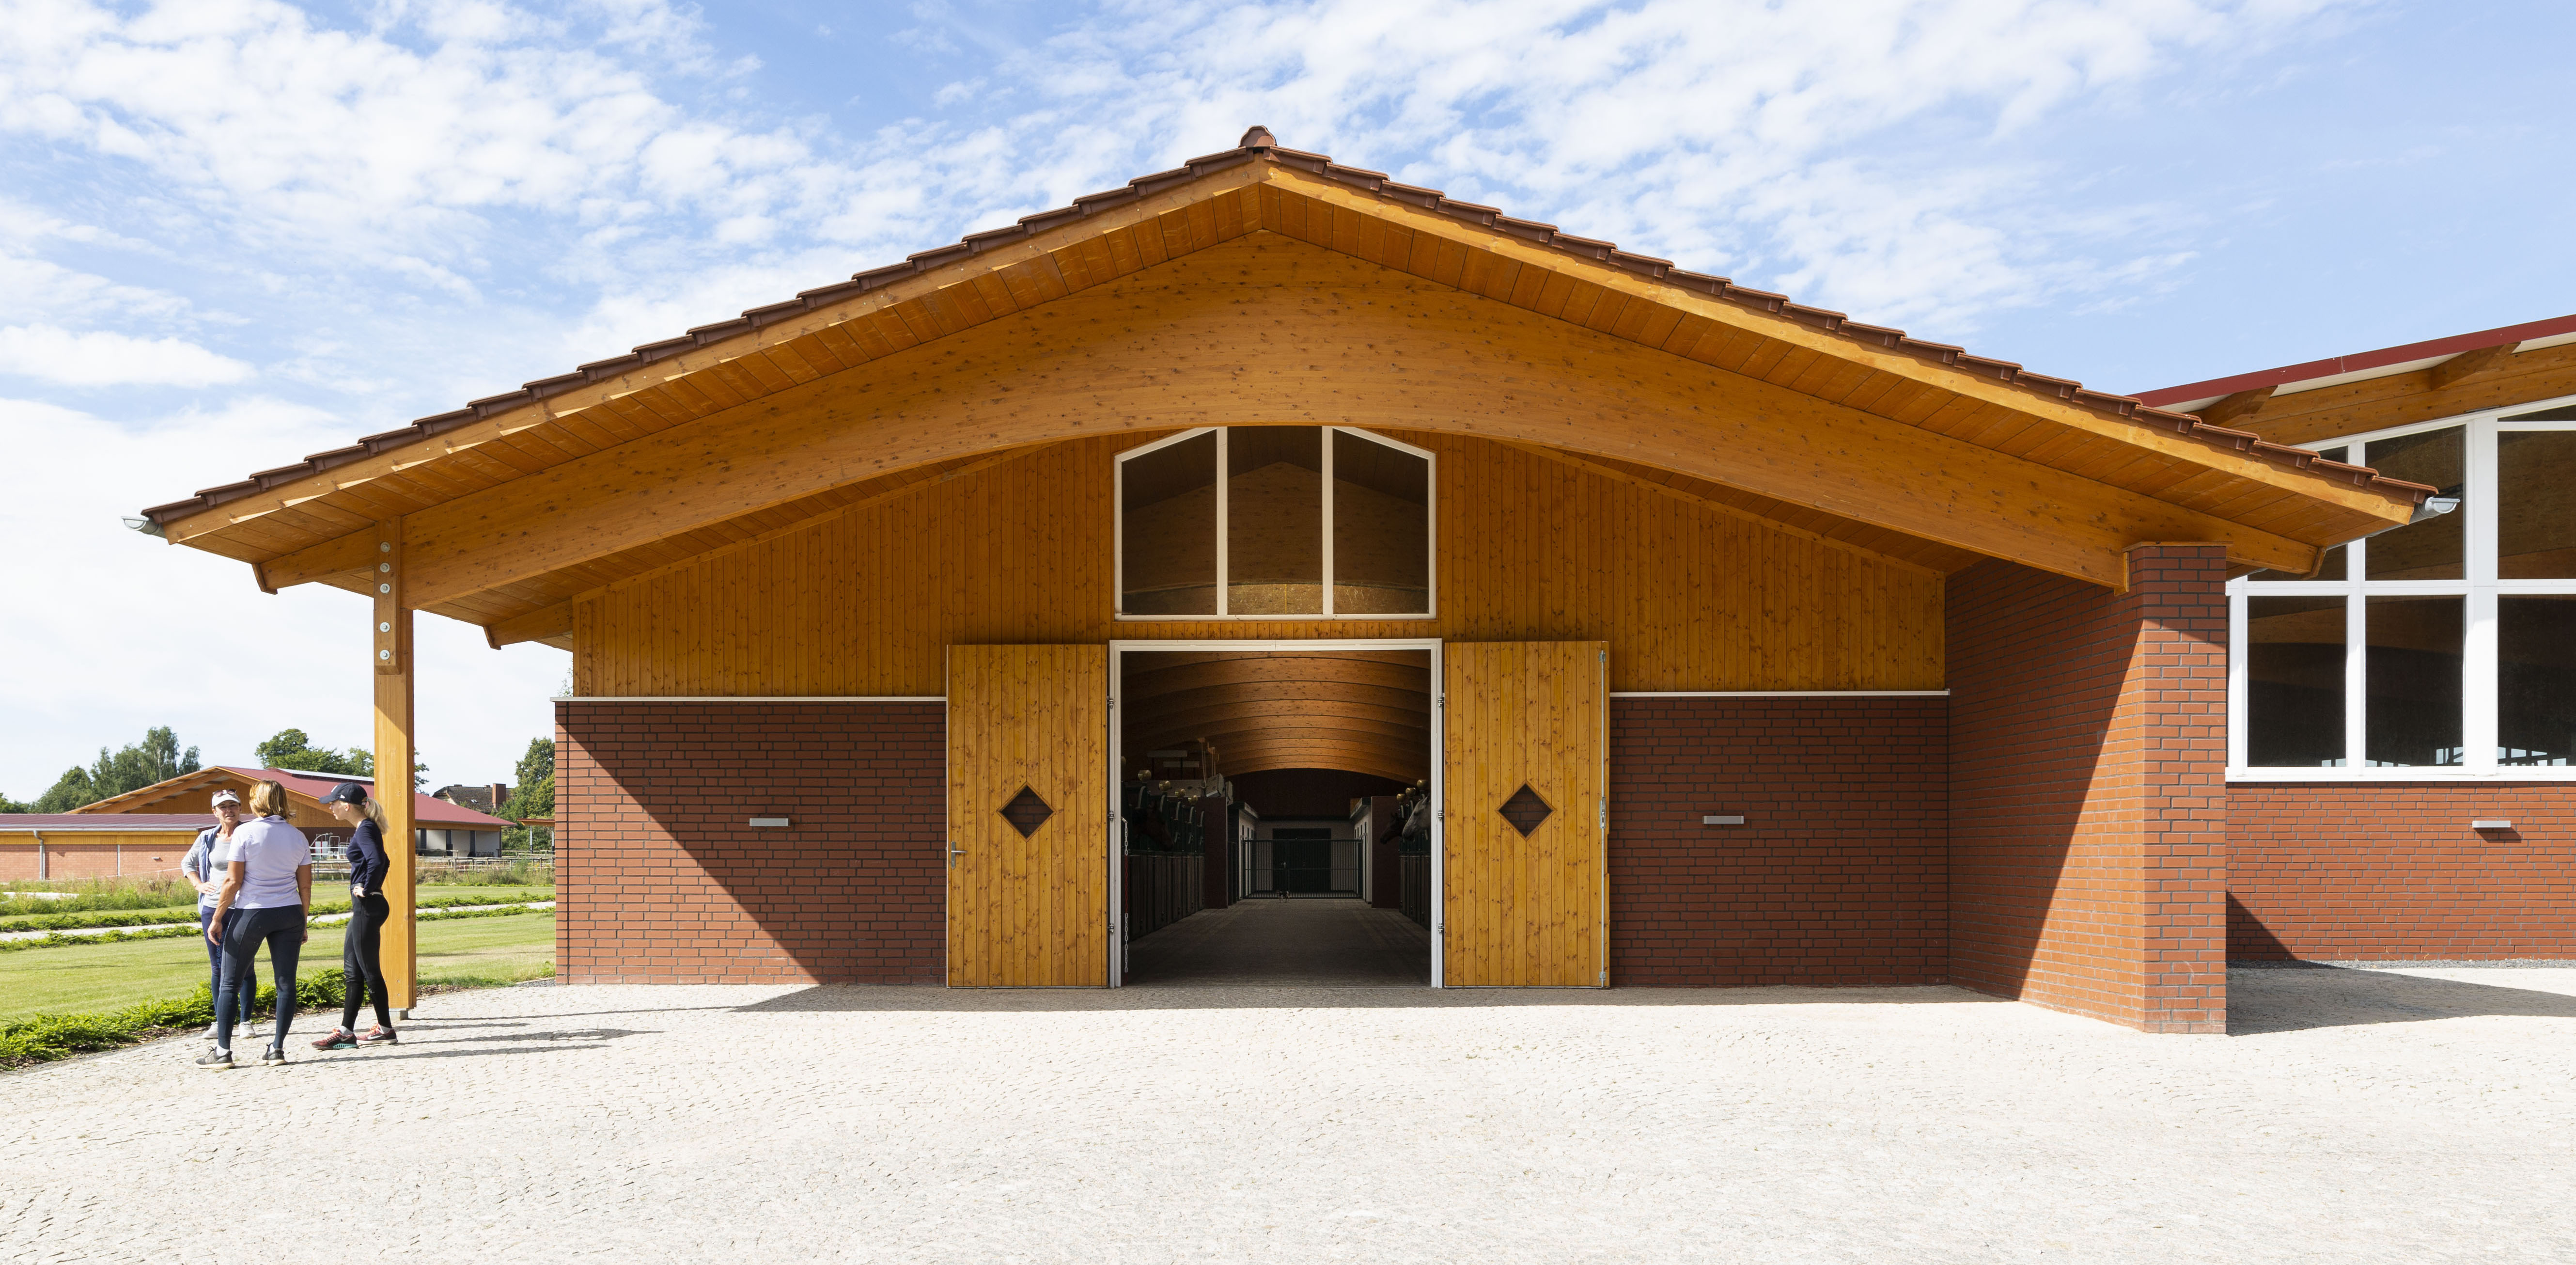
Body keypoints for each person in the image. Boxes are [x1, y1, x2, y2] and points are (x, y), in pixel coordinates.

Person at [197, 780, 311, 1070]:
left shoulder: (245, 832)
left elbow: (233, 882)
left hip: (253, 913)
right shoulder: (299, 836)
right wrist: (303, 923)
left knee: (229, 982)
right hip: (290, 913)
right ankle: (277, 1050)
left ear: (256, 802)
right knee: (286, 984)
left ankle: (223, 1052)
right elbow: (306, 888)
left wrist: (219, 918)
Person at [311, 781, 398, 1050]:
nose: (331, 807)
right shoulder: (365, 829)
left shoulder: (366, 829)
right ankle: (348, 1032)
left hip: (367, 907)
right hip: (365, 908)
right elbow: (385, 861)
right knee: (353, 971)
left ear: (347, 805)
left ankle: (384, 1029)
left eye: (333, 803)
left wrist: (368, 888)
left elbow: (377, 861)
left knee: (369, 971)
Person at [180, 789, 260, 1040]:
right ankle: (220, 1021)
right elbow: (187, 863)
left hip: (244, 907)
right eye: (223, 807)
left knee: (245, 965)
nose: (229, 811)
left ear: (240, 809)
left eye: (233, 806)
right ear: (214, 812)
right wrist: (198, 885)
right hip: (212, 908)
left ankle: (246, 1022)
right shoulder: (206, 838)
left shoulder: (250, 833)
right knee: (218, 967)